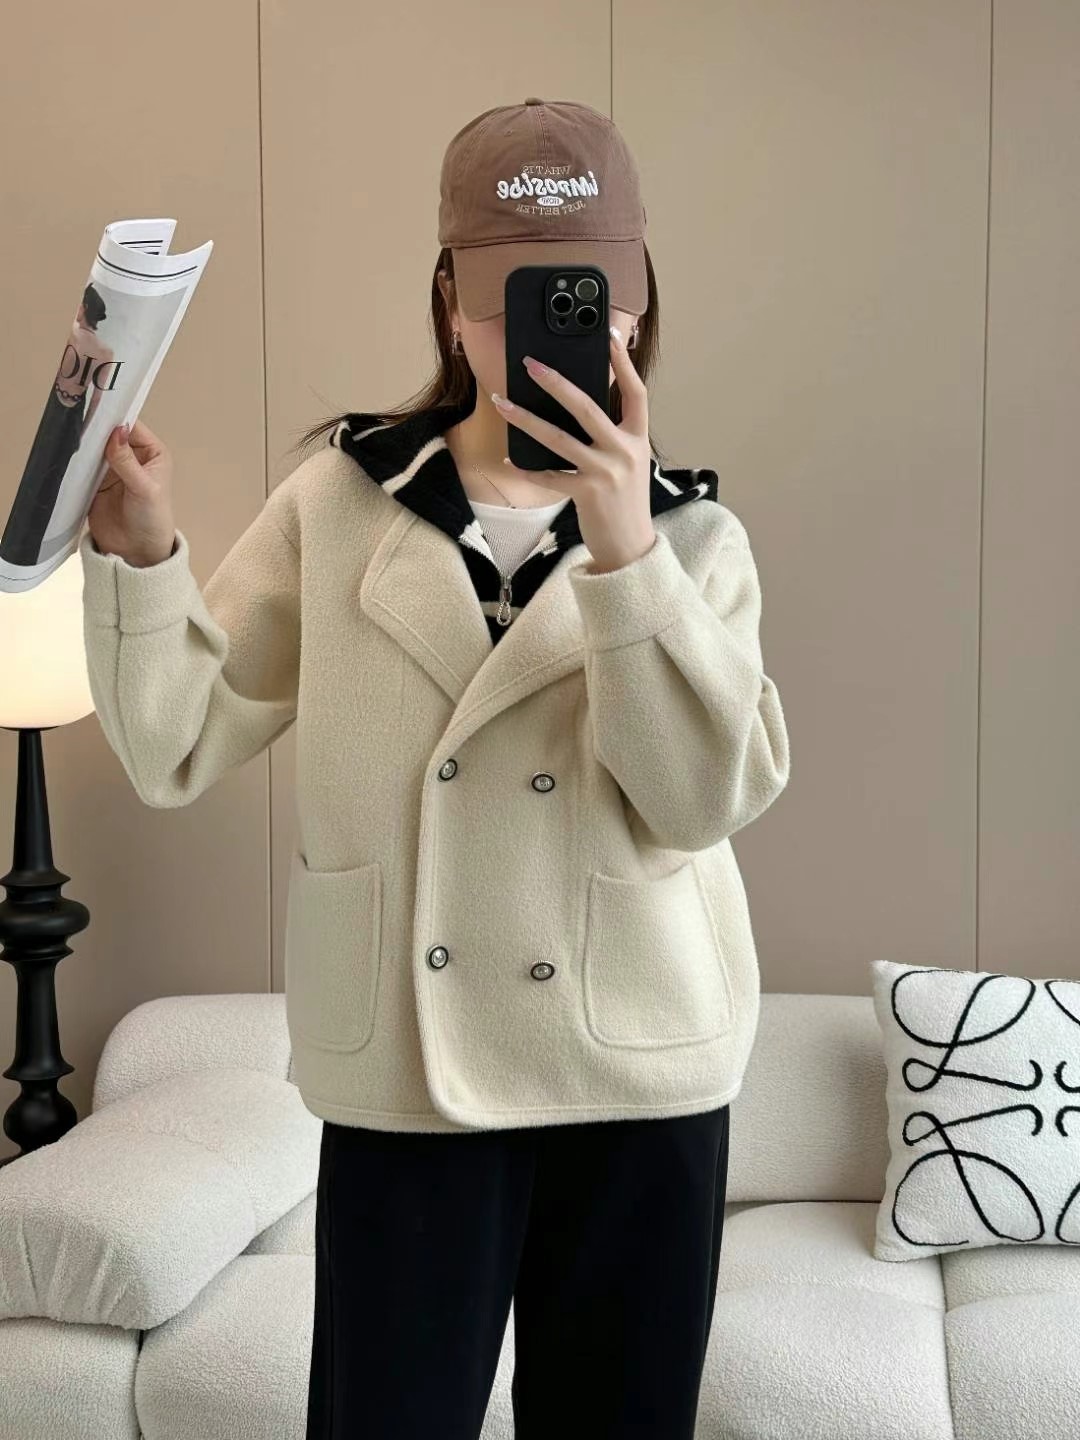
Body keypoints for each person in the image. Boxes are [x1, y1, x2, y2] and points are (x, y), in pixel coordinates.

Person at [80, 98, 790, 1440]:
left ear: (636, 304)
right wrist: (143, 557)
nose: (557, 324)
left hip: (639, 1063)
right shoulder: (341, 502)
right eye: (516, 293)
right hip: (411, 1062)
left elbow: (702, 800)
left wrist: (625, 548)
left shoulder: (694, 539)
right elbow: (179, 742)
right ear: (453, 305)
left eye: (588, 291)